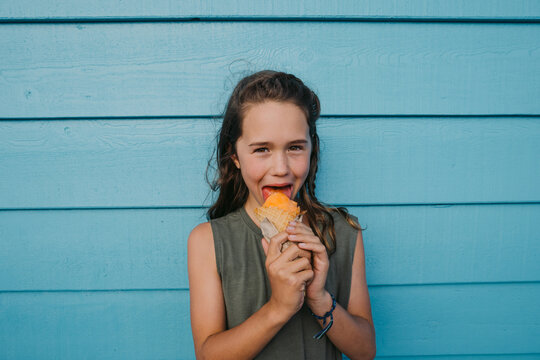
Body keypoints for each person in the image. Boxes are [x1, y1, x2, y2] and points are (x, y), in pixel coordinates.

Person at [188, 70, 376, 359]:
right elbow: (207, 355)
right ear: (235, 155)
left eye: (295, 147)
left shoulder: (343, 232)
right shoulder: (208, 242)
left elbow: (365, 351)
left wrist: (319, 298)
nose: (280, 168)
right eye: (262, 149)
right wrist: (279, 307)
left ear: (311, 151)